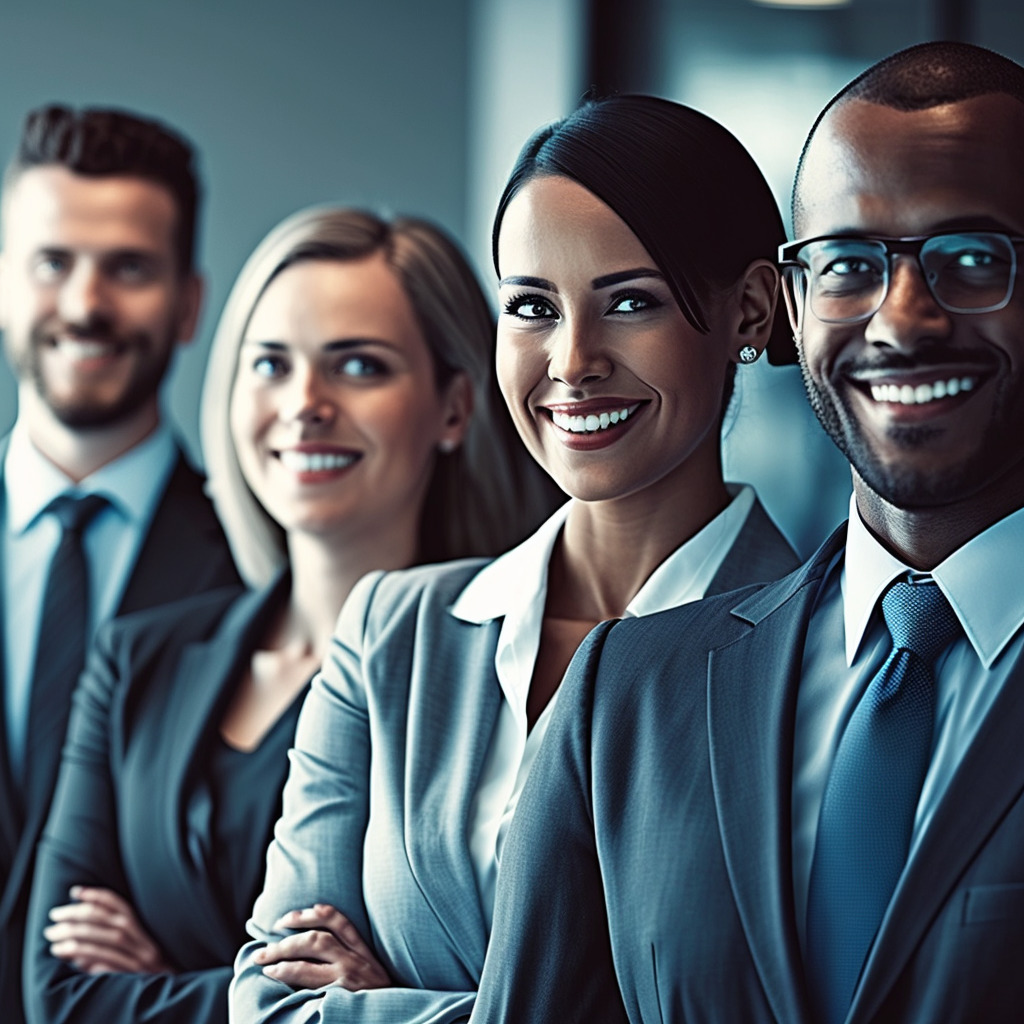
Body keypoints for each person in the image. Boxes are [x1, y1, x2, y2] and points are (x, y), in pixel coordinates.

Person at [469, 40, 1024, 1024]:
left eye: (971, 259)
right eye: (848, 264)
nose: (900, 320)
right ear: (794, 304)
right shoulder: (621, 695)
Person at [230, 94, 800, 1024]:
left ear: (747, 309)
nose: (572, 360)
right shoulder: (392, 634)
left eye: (630, 302)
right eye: (533, 307)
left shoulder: (822, 647)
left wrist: (394, 1005)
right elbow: (267, 1001)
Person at [22, 206, 552, 1024]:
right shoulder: (138, 659)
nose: (305, 403)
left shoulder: (520, 669)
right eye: (270, 364)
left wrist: (168, 977)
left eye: (360, 367)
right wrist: (272, 996)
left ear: (455, 407)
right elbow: (57, 995)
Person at [0, 105, 239, 1024]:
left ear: (187, 305)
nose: (86, 304)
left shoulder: (263, 576)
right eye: (53, 262)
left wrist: (171, 972)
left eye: (128, 268)